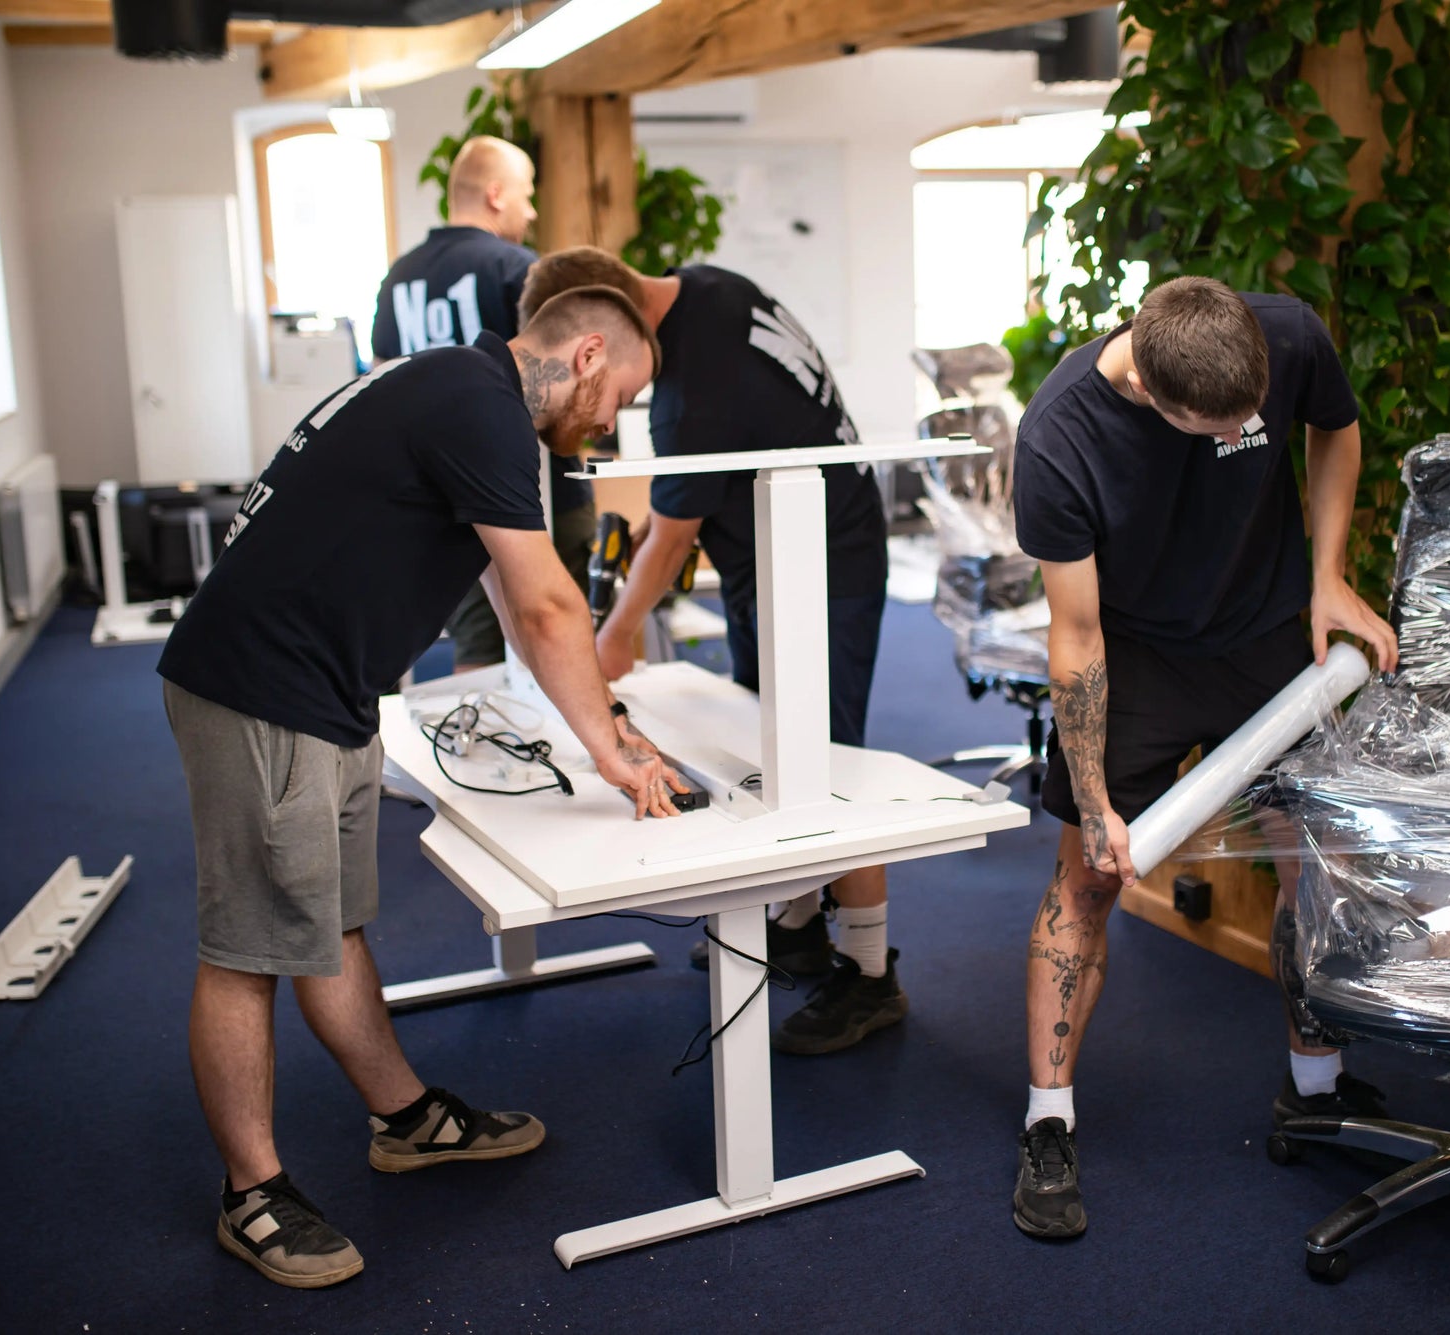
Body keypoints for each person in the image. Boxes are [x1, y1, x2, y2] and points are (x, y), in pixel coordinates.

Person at [158, 285, 689, 1289]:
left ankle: (404, 1120)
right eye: (617, 394)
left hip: (325, 686)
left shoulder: (463, 387)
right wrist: (611, 758)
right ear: (584, 355)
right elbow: (540, 603)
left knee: (333, 922)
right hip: (261, 687)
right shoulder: (481, 408)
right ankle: (251, 1193)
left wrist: (601, 726)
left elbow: (503, 583)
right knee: (248, 948)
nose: (611, 421)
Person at [1007, 276, 1399, 1240]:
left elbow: (1335, 431)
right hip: (1133, 654)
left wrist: (1328, 574)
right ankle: (1047, 1122)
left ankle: (1316, 1085)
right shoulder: (1060, 439)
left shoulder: (1287, 335)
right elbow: (1077, 634)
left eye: (1248, 422)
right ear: (1147, 386)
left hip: (1266, 634)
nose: (1239, 437)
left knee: (1318, 858)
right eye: (1215, 428)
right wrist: (1095, 796)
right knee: (1085, 879)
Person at [521, 246, 899, 1056]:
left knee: (824, 762)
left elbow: (667, 540)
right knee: (772, 742)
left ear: (599, 325)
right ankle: (796, 924)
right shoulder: (713, 283)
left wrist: (614, 635)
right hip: (765, 556)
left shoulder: (691, 392)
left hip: (828, 558)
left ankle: (871, 974)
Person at [368, 134, 598, 669]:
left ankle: (482, 747)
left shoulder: (398, 276)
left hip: (439, 498)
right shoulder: (516, 268)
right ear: (497, 194)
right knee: (559, 628)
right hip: (534, 491)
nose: (532, 208)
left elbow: (381, 385)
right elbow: (564, 379)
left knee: (478, 639)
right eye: (527, 193)